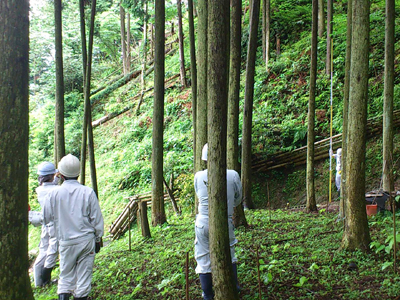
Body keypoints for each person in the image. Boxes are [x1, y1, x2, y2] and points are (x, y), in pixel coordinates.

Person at [43, 154, 104, 300]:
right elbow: (96, 219)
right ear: (78, 172)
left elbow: (46, 218)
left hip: (65, 242)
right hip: (86, 241)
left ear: (61, 174)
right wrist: (98, 238)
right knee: (83, 279)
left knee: (65, 277)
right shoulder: (87, 192)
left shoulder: (53, 194)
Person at [194, 144, 242, 300]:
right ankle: (233, 287)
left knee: (203, 257)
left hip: (202, 221)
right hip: (225, 221)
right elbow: (238, 199)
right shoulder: (233, 175)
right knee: (230, 253)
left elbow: (198, 195)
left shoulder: (198, 176)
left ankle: (207, 294)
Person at [29, 162, 59, 287]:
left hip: (45, 223)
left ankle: (38, 282)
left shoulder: (40, 189)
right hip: (54, 225)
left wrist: (56, 177)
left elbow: (52, 185)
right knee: (52, 250)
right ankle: (45, 277)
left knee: (43, 250)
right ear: (51, 176)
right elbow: (55, 188)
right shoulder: (56, 190)